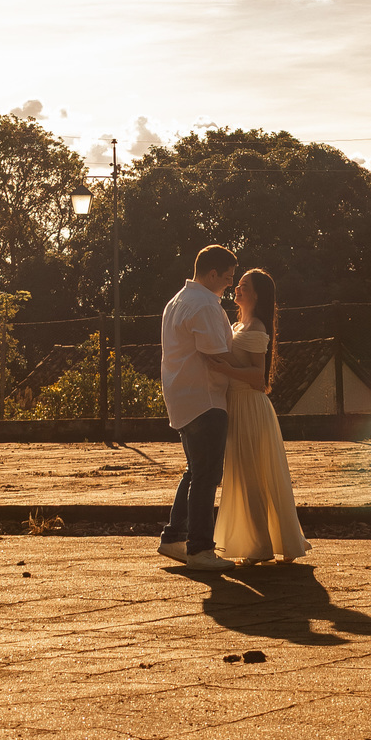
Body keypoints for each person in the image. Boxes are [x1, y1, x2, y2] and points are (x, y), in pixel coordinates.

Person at [208, 267, 309, 563]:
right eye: (238, 284)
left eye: (243, 285)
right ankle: (257, 541)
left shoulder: (257, 328)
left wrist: (225, 370)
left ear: (256, 294)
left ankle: (262, 544)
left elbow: (258, 376)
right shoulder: (239, 327)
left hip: (250, 406)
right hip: (236, 406)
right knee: (243, 476)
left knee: (254, 476)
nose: (237, 289)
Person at [158, 244, 238, 570]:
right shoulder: (204, 305)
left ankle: (174, 538)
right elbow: (215, 355)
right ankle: (200, 548)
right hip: (206, 399)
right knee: (207, 475)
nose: (232, 283)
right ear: (213, 273)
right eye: (229, 276)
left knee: (195, 472)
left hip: (182, 397)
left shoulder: (177, 301)